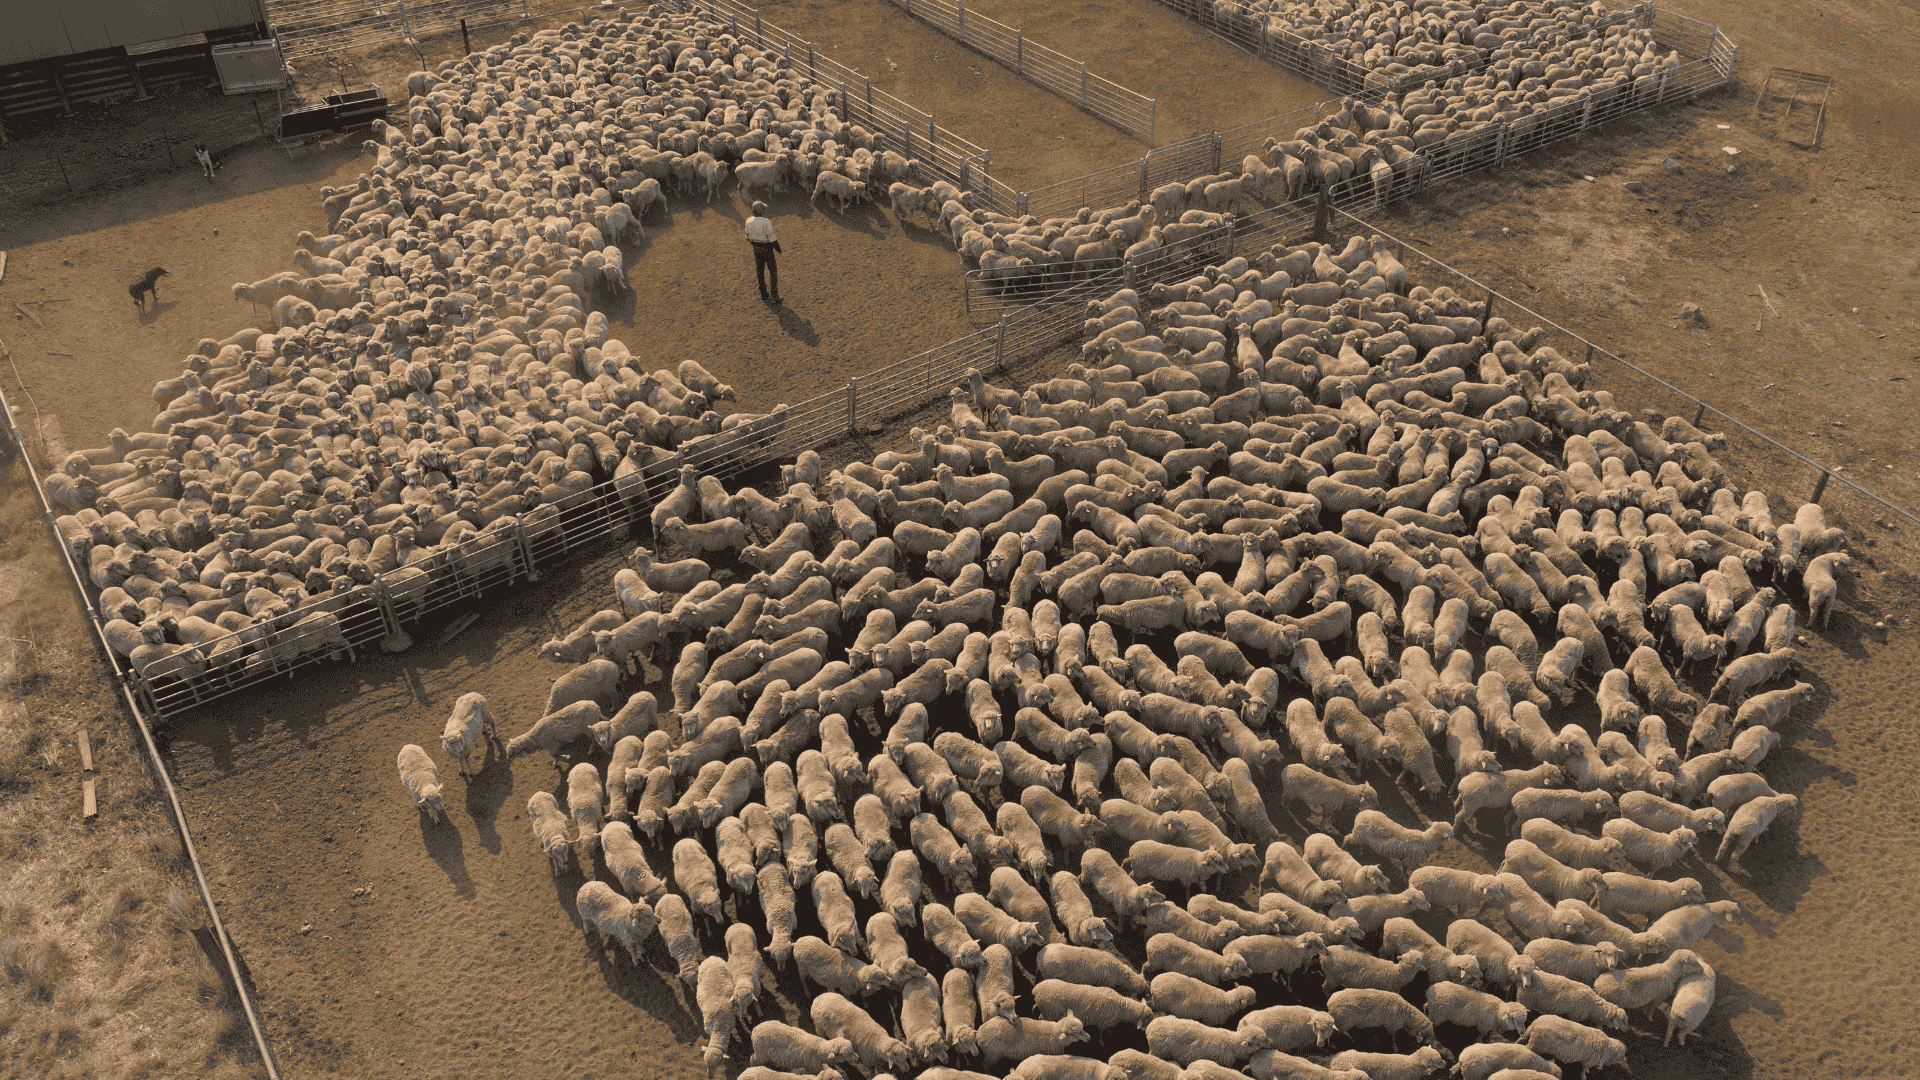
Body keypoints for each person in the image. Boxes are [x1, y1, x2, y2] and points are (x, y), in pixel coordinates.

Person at [744, 201, 782, 304]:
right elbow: (772, 239)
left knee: (760, 271)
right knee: (773, 271)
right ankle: (774, 295)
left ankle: (764, 294)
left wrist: (756, 244)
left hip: (756, 249)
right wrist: (778, 250)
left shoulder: (748, 220)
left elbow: (747, 237)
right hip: (767, 249)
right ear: (761, 211)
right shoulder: (766, 221)